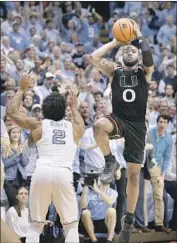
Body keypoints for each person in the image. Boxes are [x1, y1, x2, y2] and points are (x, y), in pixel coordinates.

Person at [91, 21, 154, 242]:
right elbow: (94, 58)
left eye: (132, 49)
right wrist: (114, 42)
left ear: (137, 55)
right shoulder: (114, 71)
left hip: (137, 125)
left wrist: (138, 35)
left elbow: (147, 55)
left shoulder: (145, 71)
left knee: (134, 175)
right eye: (125, 49)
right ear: (120, 56)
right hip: (118, 119)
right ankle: (110, 161)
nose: (129, 50)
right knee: (98, 125)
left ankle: (128, 220)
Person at [7, 72, 85, 243]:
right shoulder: (74, 128)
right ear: (63, 109)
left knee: (36, 225)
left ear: (44, 110)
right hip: (63, 174)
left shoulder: (38, 124)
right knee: (71, 225)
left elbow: (11, 112)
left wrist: (21, 89)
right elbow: (82, 124)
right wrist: (73, 106)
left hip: (41, 172)